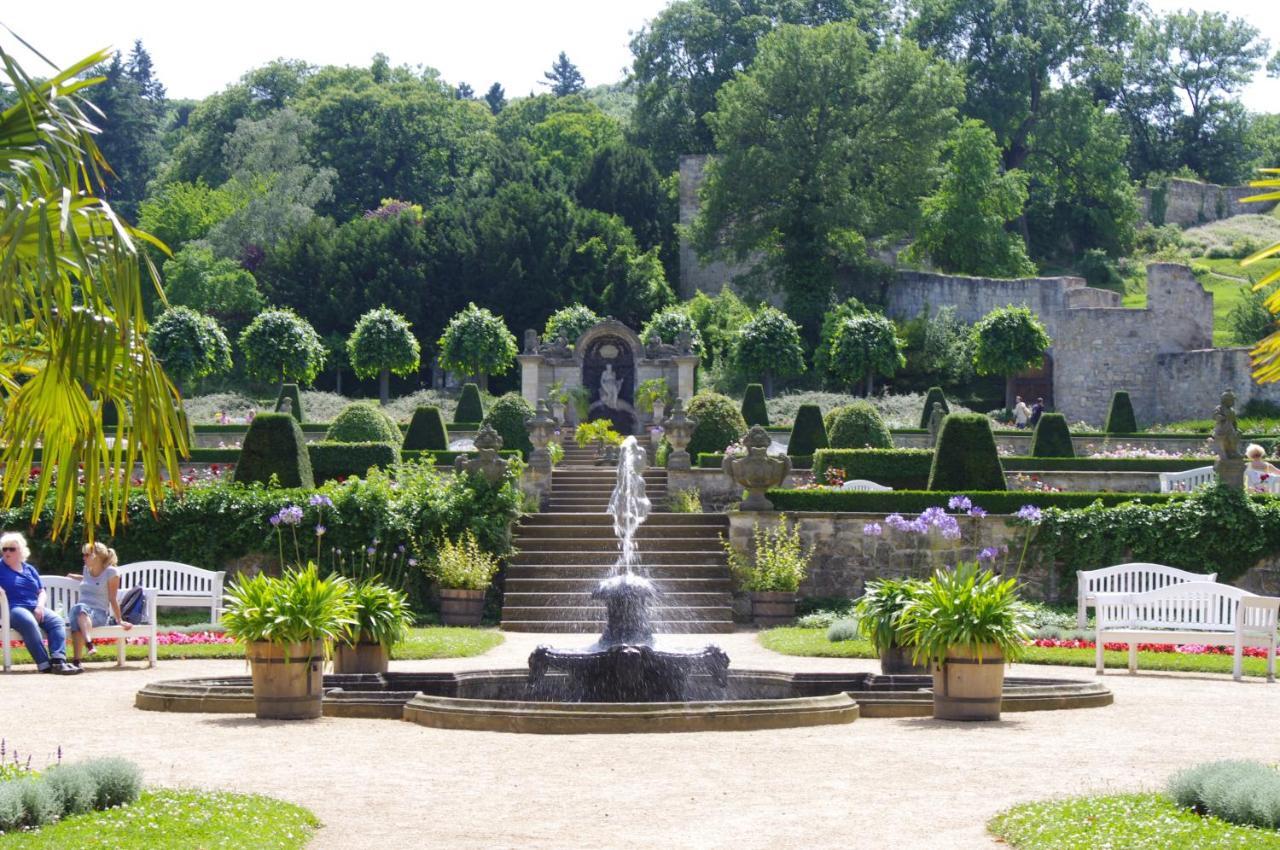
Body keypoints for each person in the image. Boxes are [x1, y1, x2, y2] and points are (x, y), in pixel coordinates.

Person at [0, 532, 80, 674]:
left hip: (34, 606)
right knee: (29, 622)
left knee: (56, 620)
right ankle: (44, 665)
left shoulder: (29, 569)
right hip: (13, 609)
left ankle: (58, 661)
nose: (7, 552)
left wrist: (40, 606)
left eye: (11, 549)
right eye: (4, 549)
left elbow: (41, 591)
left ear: (21, 551)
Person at [65, 542, 131, 669]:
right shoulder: (86, 569)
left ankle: (81, 655)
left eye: (87, 555)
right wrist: (73, 576)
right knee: (78, 611)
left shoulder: (111, 572)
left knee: (78, 612)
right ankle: (84, 651)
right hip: (82, 612)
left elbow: (112, 598)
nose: (83, 557)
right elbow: (89, 580)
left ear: (97, 556)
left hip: (99, 614)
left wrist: (119, 620)